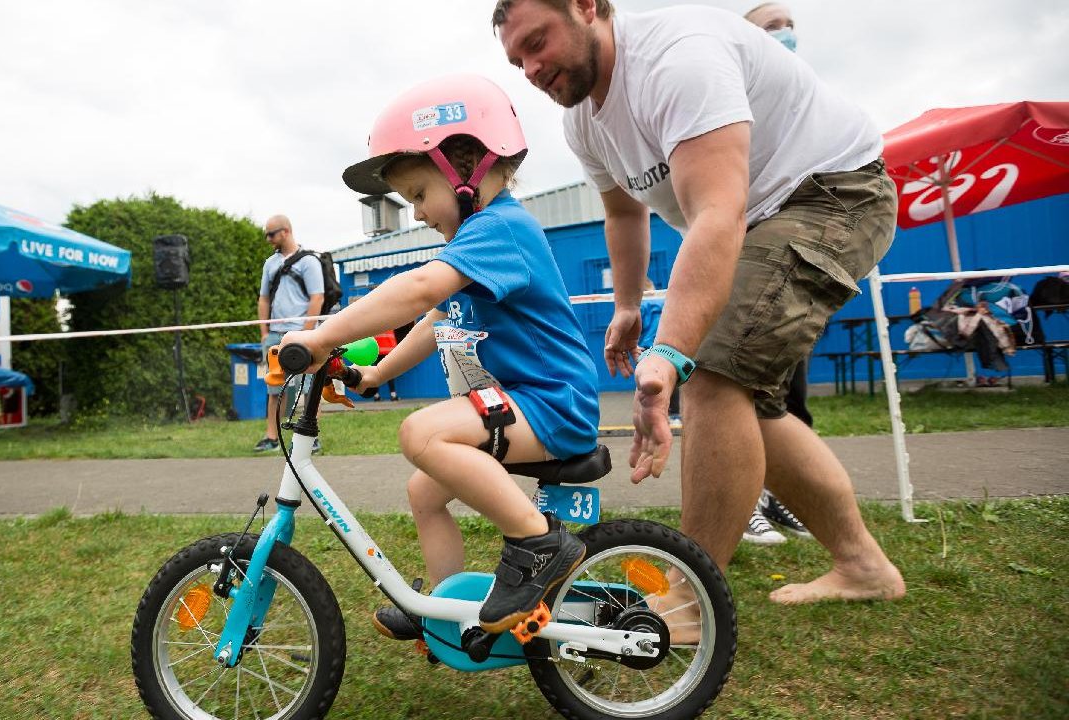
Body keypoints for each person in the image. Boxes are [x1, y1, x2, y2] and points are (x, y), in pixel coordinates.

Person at [495, 0, 905, 607]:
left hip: (832, 192)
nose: (529, 69)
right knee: (750, 405)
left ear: (587, 7)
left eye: (537, 42)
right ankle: (863, 566)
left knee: (709, 374)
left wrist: (670, 354)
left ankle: (687, 601)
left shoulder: (675, 57)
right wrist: (628, 306)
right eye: (516, 59)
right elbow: (623, 211)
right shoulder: (583, 119)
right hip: (758, 218)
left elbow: (717, 213)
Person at [280, 75, 600, 639]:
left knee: (422, 435)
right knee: (423, 491)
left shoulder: (501, 228)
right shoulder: (480, 238)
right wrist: (376, 372)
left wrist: (324, 334)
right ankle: (448, 611)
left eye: (420, 196)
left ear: (467, 168)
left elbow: (423, 290)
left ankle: (537, 543)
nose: (420, 213)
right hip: (528, 403)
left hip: (553, 404)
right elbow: (436, 319)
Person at [741, 0, 813, 544]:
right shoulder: (735, 104)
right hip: (750, 255)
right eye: (772, 27)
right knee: (743, 392)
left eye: (789, 25)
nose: (785, 34)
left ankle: (784, 497)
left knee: (794, 391)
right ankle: (744, 500)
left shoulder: (804, 102)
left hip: (798, 256)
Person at [255, 215, 324, 453]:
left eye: (271, 234)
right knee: (274, 387)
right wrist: (264, 331)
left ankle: (311, 438)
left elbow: (317, 297)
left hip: (301, 333)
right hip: (274, 335)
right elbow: (263, 298)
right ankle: (271, 437)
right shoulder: (269, 264)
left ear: (285, 232)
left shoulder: (309, 261)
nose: (268, 239)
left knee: (308, 388)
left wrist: (306, 334)